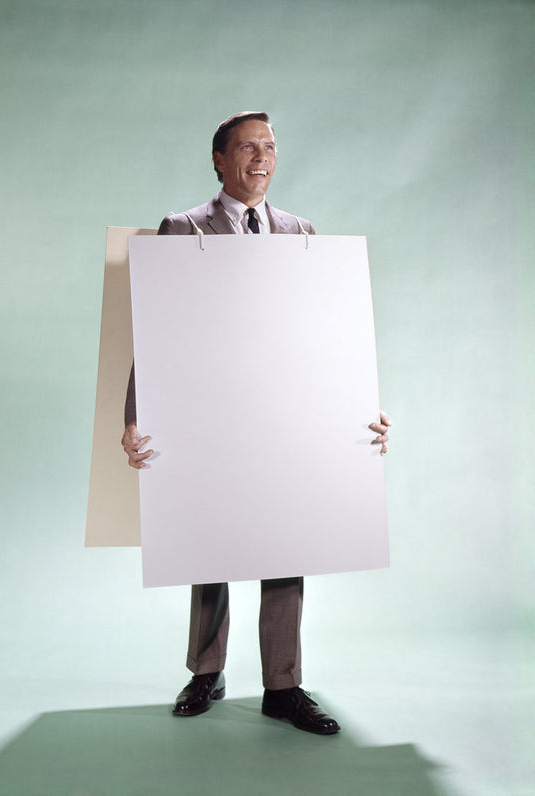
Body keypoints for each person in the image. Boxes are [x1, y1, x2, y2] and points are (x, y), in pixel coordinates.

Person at [122, 112, 391, 735]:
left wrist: (361, 404)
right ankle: (206, 672)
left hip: (281, 413)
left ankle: (283, 686)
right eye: (247, 147)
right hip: (207, 411)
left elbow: (325, 335)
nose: (261, 157)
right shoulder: (182, 228)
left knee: (286, 540)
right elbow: (154, 334)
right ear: (219, 159)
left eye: (269, 146)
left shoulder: (302, 233)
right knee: (207, 541)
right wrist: (133, 420)